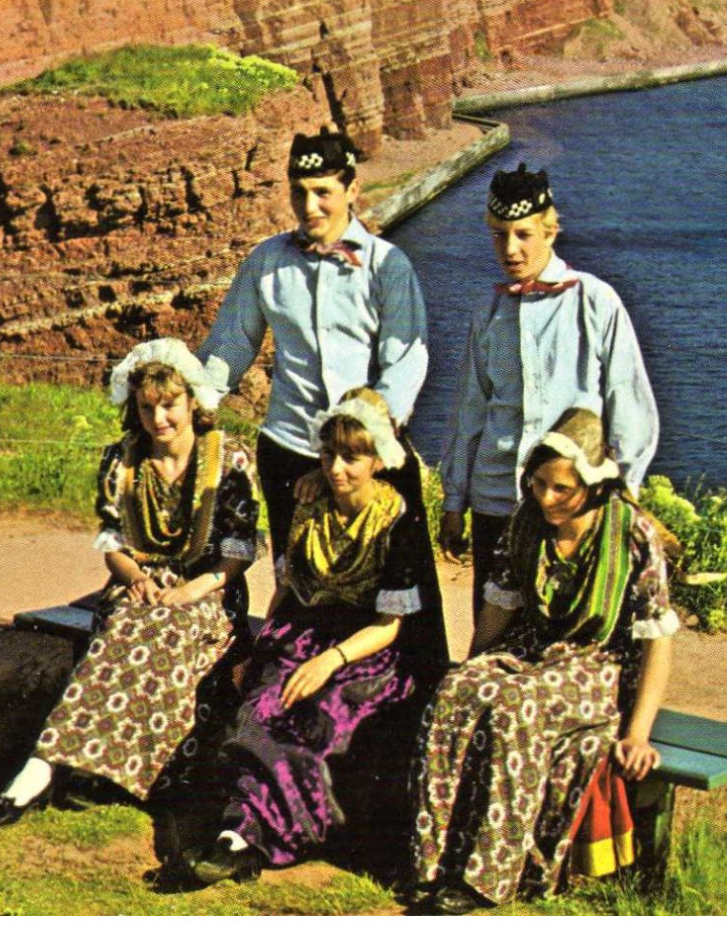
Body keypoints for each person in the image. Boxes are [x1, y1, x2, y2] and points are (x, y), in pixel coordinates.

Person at [0, 338, 259, 828]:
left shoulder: (229, 459)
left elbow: (237, 553)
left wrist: (189, 592)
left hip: (208, 590)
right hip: (141, 584)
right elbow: (114, 548)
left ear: (192, 400)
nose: (160, 419)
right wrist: (138, 579)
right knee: (123, 634)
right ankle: (37, 773)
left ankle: (124, 775)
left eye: (169, 405)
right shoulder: (122, 461)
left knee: (167, 637)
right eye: (147, 408)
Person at [410, 408, 679, 914]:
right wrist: (472, 670)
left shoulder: (632, 533)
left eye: (561, 489)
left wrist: (637, 733)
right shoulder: (526, 522)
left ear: (593, 487)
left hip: (595, 665)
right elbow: (500, 606)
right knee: (454, 694)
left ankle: (488, 876)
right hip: (532, 650)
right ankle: (435, 862)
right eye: (537, 484)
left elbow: (657, 642)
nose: (546, 498)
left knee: (518, 707)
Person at [180, 387, 448, 885]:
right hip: (303, 631)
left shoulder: (397, 518)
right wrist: (259, 649)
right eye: (328, 454)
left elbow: (390, 625)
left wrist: (329, 662)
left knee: (323, 714)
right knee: (263, 705)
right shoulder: (309, 502)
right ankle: (238, 833)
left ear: (377, 460)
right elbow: (288, 587)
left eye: (352, 457)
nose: (338, 468)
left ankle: (266, 835)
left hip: (366, 648)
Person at [196, 128, 431, 560]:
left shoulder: (387, 266)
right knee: (300, 586)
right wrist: (196, 402)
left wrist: (362, 443)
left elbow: (405, 364)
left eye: (323, 192)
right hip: (291, 450)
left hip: (366, 456)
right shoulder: (266, 261)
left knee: (388, 593)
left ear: (352, 189)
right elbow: (231, 345)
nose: (309, 206)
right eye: (299, 192)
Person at [439, 163, 660, 619]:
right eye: (499, 235)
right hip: (495, 498)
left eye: (523, 234)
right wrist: (454, 500)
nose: (511, 248)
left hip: (568, 501)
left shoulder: (596, 301)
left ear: (551, 231)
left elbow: (629, 404)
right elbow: (470, 411)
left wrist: (621, 495)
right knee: (493, 622)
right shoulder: (489, 310)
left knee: (562, 622)